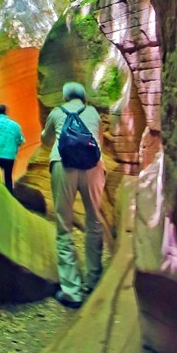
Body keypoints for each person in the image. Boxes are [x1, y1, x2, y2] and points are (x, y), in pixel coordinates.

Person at [40, 81, 104, 308]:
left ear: (65, 96)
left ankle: (72, 291)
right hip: (93, 167)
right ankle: (94, 280)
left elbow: (46, 140)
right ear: (84, 96)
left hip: (62, 164)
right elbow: (99, 141)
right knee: (94, 220)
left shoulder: (57, 112)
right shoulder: (94, 112)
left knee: (63, 225)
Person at [0, 104, 25, 194]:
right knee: (8, 178)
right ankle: (10, 196)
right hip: (9, 156)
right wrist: (15, 146)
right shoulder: (14, 125)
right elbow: (20, 140)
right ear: (5, 112)